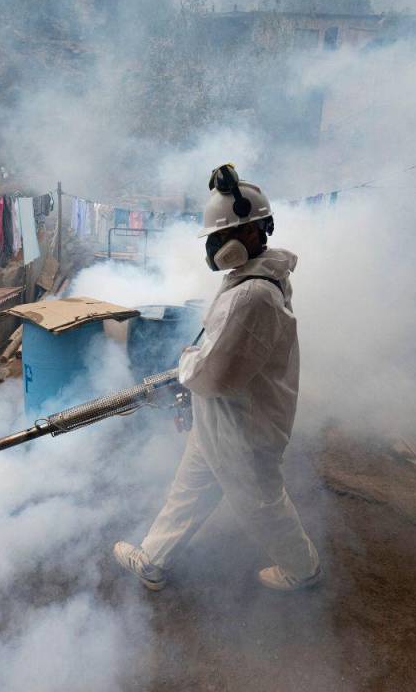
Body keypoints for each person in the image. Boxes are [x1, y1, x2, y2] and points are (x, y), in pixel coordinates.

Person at [113, 164, 320, 592]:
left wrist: (186, 368)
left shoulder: (252, 294)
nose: (211, 247)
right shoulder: (252, 280)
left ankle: (303, 571)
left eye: (216, 237)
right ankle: (153, 560)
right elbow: (223, 359)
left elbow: (215, 374)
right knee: (190, 489)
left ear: (248, 234)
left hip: (242, 427)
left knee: (263, 503)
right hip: (226, 419)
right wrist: (194, 388)